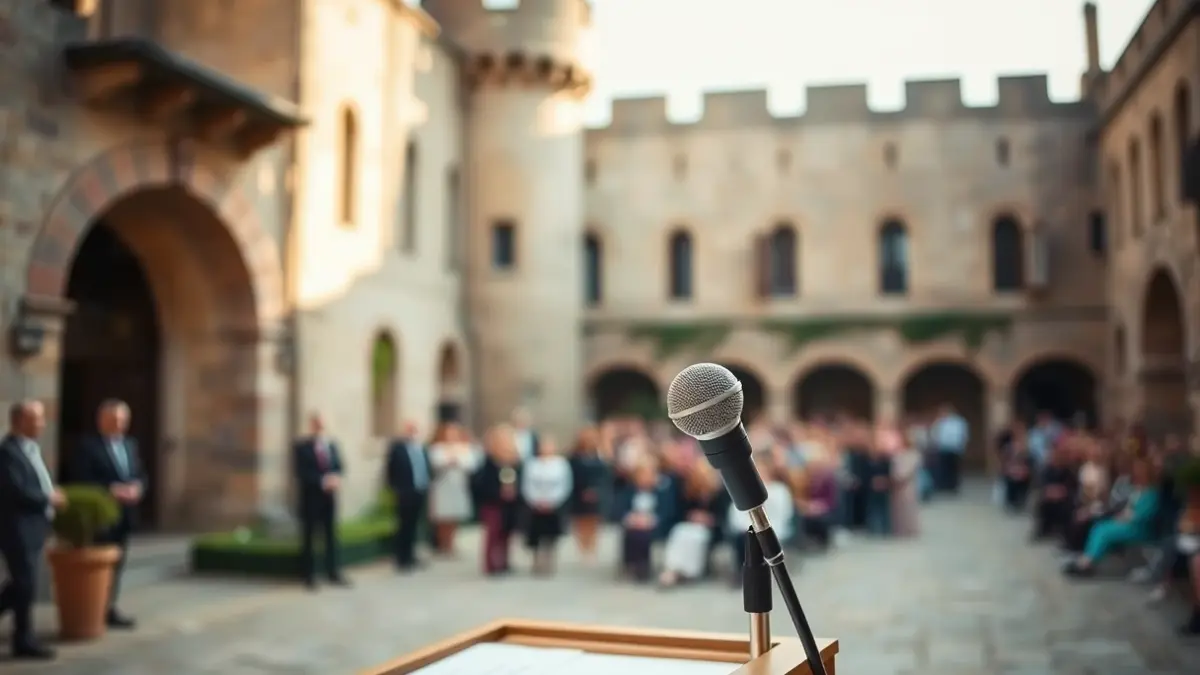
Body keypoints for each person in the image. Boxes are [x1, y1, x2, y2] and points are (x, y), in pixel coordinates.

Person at [70, 399, 144, 628]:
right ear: (101, 421)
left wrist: (138, 487)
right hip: (101, 518)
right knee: (99, 565)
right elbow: (81, 478)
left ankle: (109, 609)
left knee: (117, 566)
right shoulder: (88, 447)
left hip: (125, 517)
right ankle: (93, 610)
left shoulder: (130, 445)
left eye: (123, 420)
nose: (119, 424)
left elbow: (139, 472)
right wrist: (111, 490)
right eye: (114, 420)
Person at [0, 400, 65, 660]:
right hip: (17, 529)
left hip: (35, 527)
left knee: (21, 584)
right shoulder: (7, 452)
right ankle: (23, 640)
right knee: (23, 584)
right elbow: (17, 491)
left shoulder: (31, 449)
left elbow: (37, 481)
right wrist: (49, 499)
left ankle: (23, 637)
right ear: (20, 421)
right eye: (37, 418)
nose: (42, 423)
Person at [1064, 457, 1161, 577]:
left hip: (1140, 527)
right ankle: (1086, 559)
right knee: (1099, 526)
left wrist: (1128, 516)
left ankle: (1087, 563)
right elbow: (1127, 506)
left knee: (1105, 532)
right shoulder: (1137, 489)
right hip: (1127, 522)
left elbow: (1146, 514)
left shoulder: (1152, 492)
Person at [292, 412, 349, 590]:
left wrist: (336, 478)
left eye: (322, 424)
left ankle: (333, 572)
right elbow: (301, 473)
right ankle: (309, 575)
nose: (320, 427)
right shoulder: (302, 447)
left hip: (329, 499)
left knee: (331, 536)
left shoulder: (331, 446)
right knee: (309, 537)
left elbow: (339, 466)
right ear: (311, 425)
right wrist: (322, 481)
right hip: (311, 499)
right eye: (317, 424)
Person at [658, 462, 723, 588]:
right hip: (687, 526)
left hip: (709, 530)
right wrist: (692, 517)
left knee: (696, 536)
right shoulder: (687, 492)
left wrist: (709, 520)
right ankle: (672, 569)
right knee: (680, 532)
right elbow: (678, 513)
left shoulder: (719, 495)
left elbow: (722, 518)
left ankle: (689, 571)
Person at [520, 436, 572, 575]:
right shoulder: (532, 464)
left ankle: (549, 561)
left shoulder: (561, 464)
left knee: (551, 535)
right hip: (536, 504)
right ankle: (536, 560)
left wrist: (553, 501)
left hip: (554, 504)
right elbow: (527, 485)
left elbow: (565, 485)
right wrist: (535, 500)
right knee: (535, 534)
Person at [474, 425, 522, 575]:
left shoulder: (515, 461)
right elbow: (481, 483)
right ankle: (491, 565)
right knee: (493, 533)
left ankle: (504, 562)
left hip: (510, 503)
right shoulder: (488, 461)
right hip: (493, 502)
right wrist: (498, 492)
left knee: (507, 533)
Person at [428, 423, 481, 556]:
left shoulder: (462, 447)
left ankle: (451, 543)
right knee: (442, 515)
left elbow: (471, 464)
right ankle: (442, 544)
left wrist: (456, 459)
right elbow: (436, 462)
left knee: (454, 515)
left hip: (458, 485)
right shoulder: (437, 448)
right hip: (442, 485)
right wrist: (450, 459)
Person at [385, 420, 431, 572]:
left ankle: (411, 554)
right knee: (403, 525)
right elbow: (390, 470)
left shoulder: (420, 448)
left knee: (414, 524)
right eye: (410, 429)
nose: (412, 432)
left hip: (420, 490)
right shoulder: (397, 448)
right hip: (404, 491)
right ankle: (401, 558)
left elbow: (426, 466)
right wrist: (395, 488)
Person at [568, 426, 607, 560]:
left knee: (594, 521)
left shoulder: (599, 455)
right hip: (579, 493)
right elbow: (572, 475)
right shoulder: (574, 457)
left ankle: (592, 549)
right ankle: (582, 548)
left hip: (596, 493)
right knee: (580, 522)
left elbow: (604, 475)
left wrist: (596, 489)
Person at [929, 404, 968, 495]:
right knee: (943, 468)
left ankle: (953, 486)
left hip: (955, 449)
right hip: (943, 449)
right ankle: (943, 486)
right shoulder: (940, 422)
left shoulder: (959, 422)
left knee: (954, 469)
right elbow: (934, 434)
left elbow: (963, 435)